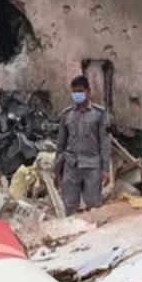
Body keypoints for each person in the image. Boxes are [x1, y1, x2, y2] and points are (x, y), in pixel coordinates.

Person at [54, 75, 111, 215]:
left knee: (94, 205)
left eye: (80, 91)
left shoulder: (99, 114)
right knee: (69, 205)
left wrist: (106, 169)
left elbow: (104, 142)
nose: (77, 95)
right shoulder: (67, 114)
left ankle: (94, 229)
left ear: (88, 91)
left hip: (92, 165)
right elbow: (61, 143)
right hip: (71, 165)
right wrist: (57, 167)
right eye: (74, 92)